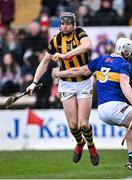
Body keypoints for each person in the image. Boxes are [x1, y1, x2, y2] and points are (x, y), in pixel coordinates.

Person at [52, 37, 132, 170]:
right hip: (116, 107)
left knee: (131, 126)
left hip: (102, 111)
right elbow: (125, 84)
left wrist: (59, 73)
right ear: (126, 52)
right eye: (130, 52)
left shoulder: (101, 60)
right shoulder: (124, 64)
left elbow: (79, 71)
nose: (131, 55)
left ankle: (131, 155)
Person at [26, 12, 99, 166]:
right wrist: (33, 82)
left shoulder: (79, 33)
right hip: (66, 83)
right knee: (73, 125)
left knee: (83, 124)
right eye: (63, 23)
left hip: (84, 81)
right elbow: (45, 62)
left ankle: (91, 145)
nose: (65, 26)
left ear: (74, 25)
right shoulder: (56, 40)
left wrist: (66, 55)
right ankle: (80, 143)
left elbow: (87, 46)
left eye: (68, 23)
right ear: (59, 25)